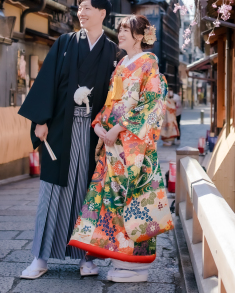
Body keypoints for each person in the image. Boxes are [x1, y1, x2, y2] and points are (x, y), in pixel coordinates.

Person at [17, 0, 119, 280]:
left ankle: (86, 257)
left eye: (87, 9)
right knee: (51, 193)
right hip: (61, 127)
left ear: (102, 13)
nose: (81, 13)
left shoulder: (111, 51)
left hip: (92, 133)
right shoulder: (64, 43)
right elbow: (47, 80)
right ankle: (40, 257)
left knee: (88, 194)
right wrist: (40, 120)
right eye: (80, 9)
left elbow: (116, 97)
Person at [69, 15, 173, 283]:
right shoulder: (121, 65)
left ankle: (136, 266)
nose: (120, 34)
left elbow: (151, 103)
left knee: (134, 202)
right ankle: (119, 259)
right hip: (114, 145)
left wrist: (120, 128)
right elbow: (109, 103)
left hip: (133, 147)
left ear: (140, 35)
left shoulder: (149, 62)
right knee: (113, 203)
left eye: (126, 29)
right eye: (120, 29)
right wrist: (99, 126)